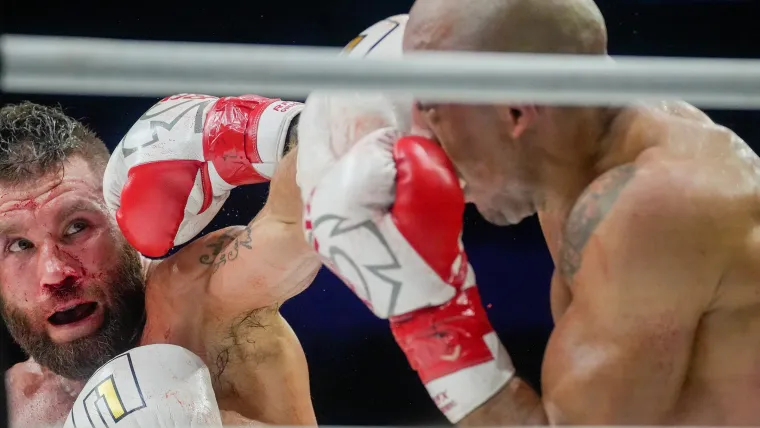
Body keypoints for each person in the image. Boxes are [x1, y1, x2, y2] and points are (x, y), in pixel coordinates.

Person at [298, 1, 760, 425]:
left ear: (516, 113)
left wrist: (430, 313)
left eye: (435, 112)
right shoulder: (570, 141)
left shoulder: (654, 209)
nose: (423, 141)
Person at [2, 94, 321, 427]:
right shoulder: (16, 403)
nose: (55, 273)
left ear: (122, 220)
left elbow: (294, 224)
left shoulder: (203, 300)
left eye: (77, 227)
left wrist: (279, 131)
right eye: (19, 245)